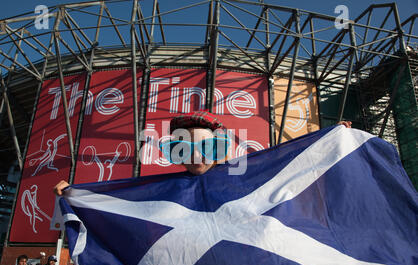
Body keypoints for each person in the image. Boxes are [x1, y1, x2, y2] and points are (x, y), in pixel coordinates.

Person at [53, 111, 352, 194]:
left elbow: (287, 163)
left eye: (208, 147)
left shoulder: (244, 178)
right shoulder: (162, 190)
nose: (197, 155)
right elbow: (117, 197)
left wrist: (329, 139)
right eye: (184, 147)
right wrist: (75, 193)